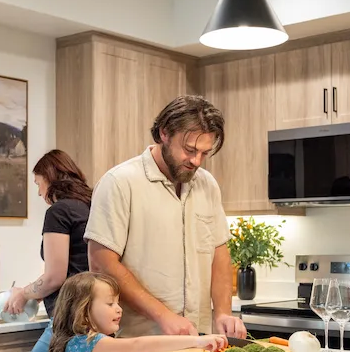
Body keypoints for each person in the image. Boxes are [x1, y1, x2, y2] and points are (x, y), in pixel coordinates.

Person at [85, 95, 247, 339]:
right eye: (189, 150)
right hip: (138, 342)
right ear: (164, 133)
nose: (196, 161)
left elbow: (219, 255)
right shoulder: (120, 183)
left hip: (198, 339)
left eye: (204, 153)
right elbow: (101, 263)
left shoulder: (207, 185)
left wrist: (223, 313)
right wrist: (163, 315)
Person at [5, 149, 93, 352]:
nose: (38, 192)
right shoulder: (90, 207)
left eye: (38, 183)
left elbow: (55, 277)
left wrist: (23, 293)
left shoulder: (59, 211)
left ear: (50, 178)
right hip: (95, 315)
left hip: (69, 317)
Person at [45, 272, 228, 352]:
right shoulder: (87, 343)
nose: (119, 309)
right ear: (83, 311)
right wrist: (197, 341)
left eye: (118, 303)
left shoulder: (78, 341)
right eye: (110, 304)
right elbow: (137, 345)